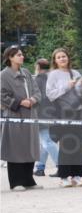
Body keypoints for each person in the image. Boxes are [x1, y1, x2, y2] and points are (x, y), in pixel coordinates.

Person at [1, 46, 41, 190]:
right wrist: (19, 102)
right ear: (10, 57)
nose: (22, 57)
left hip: (30, 115)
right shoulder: (3, 75)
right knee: (16, 148)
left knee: (29, 147)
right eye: (18, 55)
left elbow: (37, 91)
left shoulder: (26, 73)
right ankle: (16, 182)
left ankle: (28, 180)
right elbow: (2, 95)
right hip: (14, 115)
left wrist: (33, 100)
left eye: (22, 54)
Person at [46, 48, 82, 187]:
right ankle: (63, 177)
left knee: (78, 144)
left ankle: (77, 176)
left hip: (77, 113)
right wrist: (66, 86)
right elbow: (50, 94)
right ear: (55, 60)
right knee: (66, 144)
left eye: (64, 56)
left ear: (68, 58)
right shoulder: (53, 75)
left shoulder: (75, 73)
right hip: (62, 113)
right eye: (59, 57)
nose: (62, 59)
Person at [32, 58, 58, 177]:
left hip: (41, 114)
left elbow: (36, 98)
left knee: (47, 141)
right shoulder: (53, 78)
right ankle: (40, 167)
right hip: (54, 113)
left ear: (37, 67)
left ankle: (61, 166)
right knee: (45, 141)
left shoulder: (36, 80)